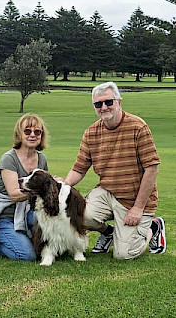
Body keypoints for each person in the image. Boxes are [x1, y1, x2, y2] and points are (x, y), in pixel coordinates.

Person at [62, 81, 166, 259]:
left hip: (133, 199)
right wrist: (62, 185)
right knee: (78, 215)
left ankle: (153, 227)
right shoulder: (91, 133)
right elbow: (79, 169)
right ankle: (108, 232)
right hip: (107, 192)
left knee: (123, 254)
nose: (104, 107)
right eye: (98, 104)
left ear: (119, 102)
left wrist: (138, 208)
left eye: (108, 102)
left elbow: (152, 169)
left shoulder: (138, 127)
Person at [0, 113, 49, 261]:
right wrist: (42, 189)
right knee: (28, 256)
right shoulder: (9, 158)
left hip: (29, 213)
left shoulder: (41, 159)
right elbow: (14, 195)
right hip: (6, 217)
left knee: (46, 238)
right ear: (19, 134)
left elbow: (46, 189)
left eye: (37, 132)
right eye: (27, 131)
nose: (32, 135)